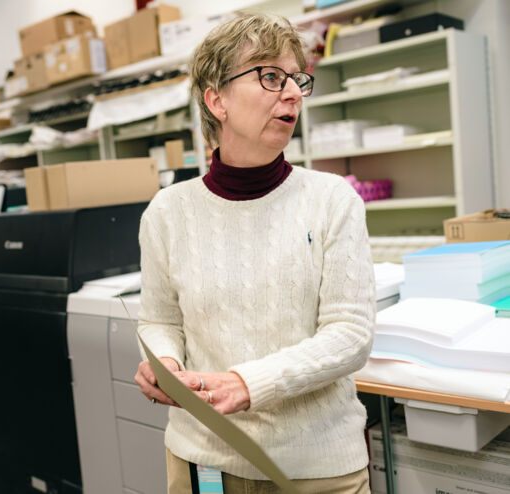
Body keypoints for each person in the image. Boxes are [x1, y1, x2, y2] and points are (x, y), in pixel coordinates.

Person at [135, 13, 375, 494]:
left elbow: (351, 334)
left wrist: (248, 384)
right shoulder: (167, 211)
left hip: (313, 468)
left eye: (295, 79)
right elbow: (159, 319)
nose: (291, 93)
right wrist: (165, 362)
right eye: (269, 76)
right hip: (203, 462)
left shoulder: (332, 199)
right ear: (216, 99)